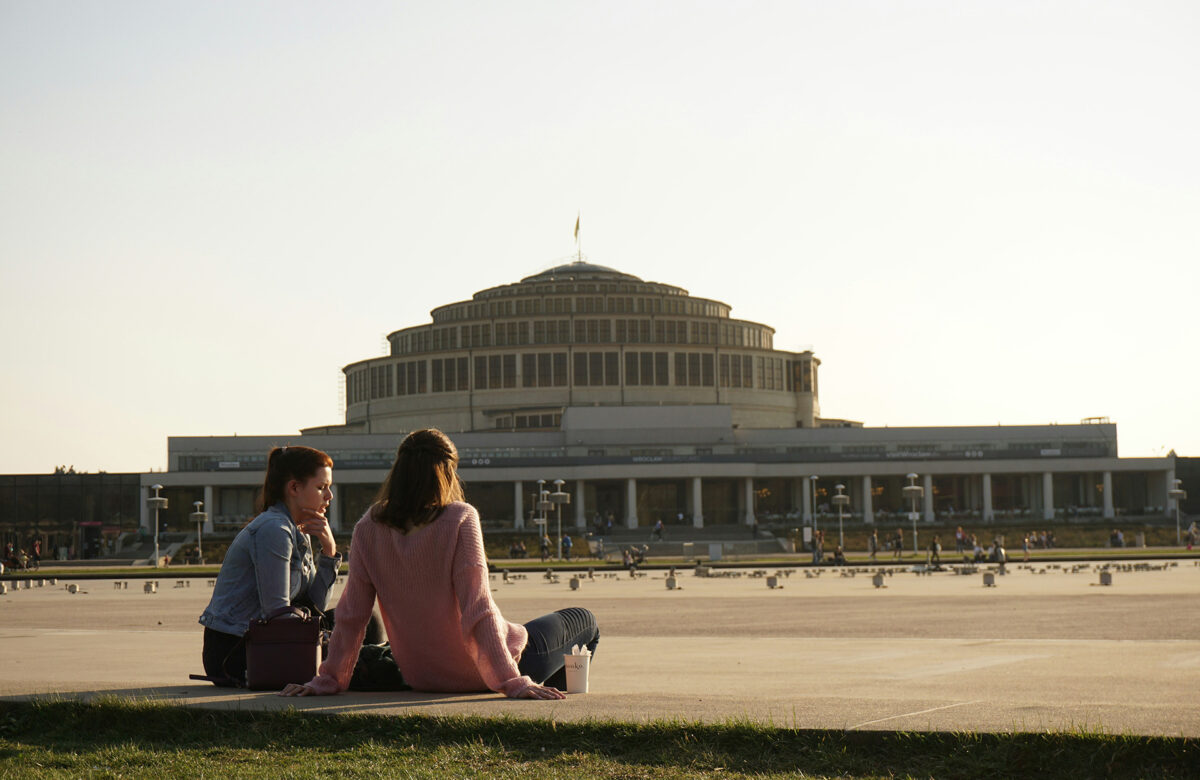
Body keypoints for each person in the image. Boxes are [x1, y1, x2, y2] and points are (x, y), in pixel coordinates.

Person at [281, 429, 598, 700]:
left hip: (423, 677)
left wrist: (329, 679)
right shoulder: (460, 518)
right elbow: (479, 609)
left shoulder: (369, 526)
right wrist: (512, 681)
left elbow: (351, 616)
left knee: (541, 630)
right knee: (584, 620)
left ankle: (549, 696)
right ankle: (557, 702)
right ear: (446, 471)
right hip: (491, 670)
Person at [198, 445, 348, 686]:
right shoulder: (274, 530)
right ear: (294, 488)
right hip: (238, 651)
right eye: (321, 488)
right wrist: (329, 640)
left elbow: (315, 606)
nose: (329, 496)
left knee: (360, 623)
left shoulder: (299, 530)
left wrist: (329, 551)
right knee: (355, 641)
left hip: (270, 639)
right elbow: (276, 613)